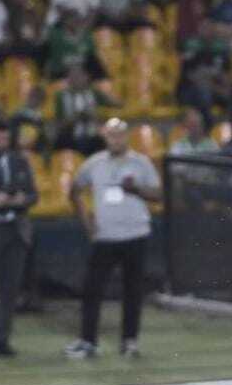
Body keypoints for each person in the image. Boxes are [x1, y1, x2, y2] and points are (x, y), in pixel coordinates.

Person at [65, 118, 162, 359]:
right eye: (111, 135)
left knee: (133, 291)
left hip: (135, 234)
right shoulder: (94, 163)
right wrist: (87, 224)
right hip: (105, 236)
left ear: (126, 136)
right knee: (92, 290)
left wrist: (136, 189)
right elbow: (75, 191)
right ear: (105, 137)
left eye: (119, 134)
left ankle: (130, 342)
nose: (116, 139)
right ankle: (89, 341)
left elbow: (158, 194)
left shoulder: (141, 162)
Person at [0, 120, 36, 358]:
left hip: (15, 231)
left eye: (5, 137)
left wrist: (22, 200)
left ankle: (1, 341)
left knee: (9, 290)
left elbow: (33, 194)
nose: (2, 141)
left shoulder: (19, 161)